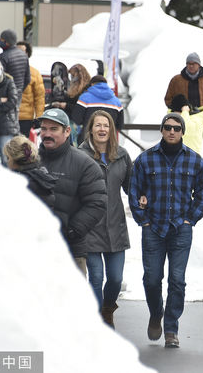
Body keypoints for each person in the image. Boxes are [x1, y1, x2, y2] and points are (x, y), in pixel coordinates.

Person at [128, 113, 203, 348]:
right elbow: (134, 191)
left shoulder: (195, 161)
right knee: (152, 279)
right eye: (168, 127)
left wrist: (190, 219)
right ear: (162, 130)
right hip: (153, 228)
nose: (172, 131)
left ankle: (171, 328)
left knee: (177, 281)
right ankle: (156, 313)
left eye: (176, 128)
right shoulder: (145, 159)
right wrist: (142, 220)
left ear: (183, 132)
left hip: (180, 229)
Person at [79, 110, 132, 328]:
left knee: (116, 279)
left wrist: (144, 199)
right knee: (95, 277)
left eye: (106, 125)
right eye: (98, 125)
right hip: (89, 226)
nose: (102, 129)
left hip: (115, 226)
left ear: (111, 130)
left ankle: (107, 308)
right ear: (90, 129)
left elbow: (132, 188)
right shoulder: (79, 155)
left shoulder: (122, 155)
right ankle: (97, 321)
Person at [38, 108, 107, 275]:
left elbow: (97, 202)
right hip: (36, 249)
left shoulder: (84, 163)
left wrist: (72, 230)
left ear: (67, 131)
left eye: (54, 129)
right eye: (44, 129)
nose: (47, 134)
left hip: (71, 250)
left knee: (73, 301)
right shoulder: (31, 160)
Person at [3, 135, 57, 209]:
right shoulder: (42, 175)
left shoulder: (20, 184)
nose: (7, 161)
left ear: (15, 159)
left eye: (8, 157)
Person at [72, 75, 123, 145]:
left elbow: (77, 118)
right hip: (109, 141)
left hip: (87, 141)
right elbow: (120, 125)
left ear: (92, 84)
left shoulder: (84, 98)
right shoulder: (117, 101)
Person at [51, 64, 92, 145]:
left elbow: (80, 108)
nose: (72, 78)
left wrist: (65, 105)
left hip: (79, 124)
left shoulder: (86, 90)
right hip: (71, 121)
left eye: (73, 76)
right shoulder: (74, 87)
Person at [16, 41, 46, 136]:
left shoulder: (34, 73)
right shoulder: (5, 70)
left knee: (23, 146)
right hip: (7, 117)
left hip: (25, 119)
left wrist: (39, 117)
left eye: (22, 51)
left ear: (27, 54)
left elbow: (39, 98)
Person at [0, 29, 30, 104]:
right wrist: (19, 90)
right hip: (18, 95)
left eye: (1, 39)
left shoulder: (3, 57)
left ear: (7, 42)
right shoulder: (24, 55)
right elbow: (27, 78)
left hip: (5, 97)